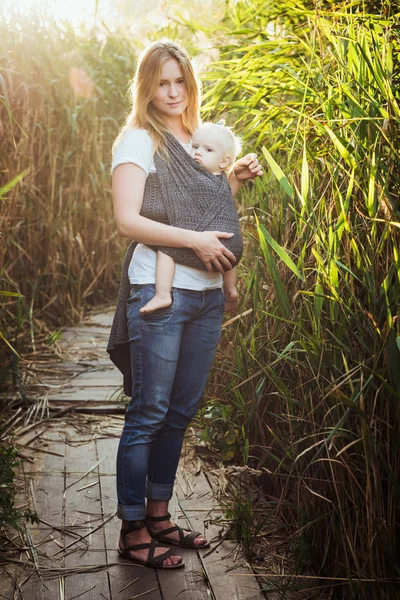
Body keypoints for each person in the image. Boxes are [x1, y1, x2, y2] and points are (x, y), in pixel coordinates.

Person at [108, 39, 263, 570]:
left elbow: (206, 209)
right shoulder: (137, 141)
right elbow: (129, 220)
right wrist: (194, 242)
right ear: (147, 86)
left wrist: (233, 181)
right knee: (148, 411)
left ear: (189, 83)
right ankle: (132, 529)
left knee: (179, 411)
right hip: (161, 290)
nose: (173, 93)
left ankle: (159, 514)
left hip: (207, 296)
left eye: (180, 81)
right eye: (162, 82)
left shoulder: (200, 139)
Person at [139, 121, 242, 316]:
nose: (197, 152)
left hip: (216, 244)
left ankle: (163, 294)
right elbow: (222, 201)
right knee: (226, 254)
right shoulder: (221, 181)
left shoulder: (196, 178)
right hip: (226, 249)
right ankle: (230, 290)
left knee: (166, 249)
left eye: (208, 150)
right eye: (194, 146)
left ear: (223, 161)